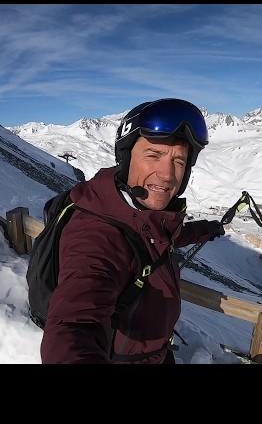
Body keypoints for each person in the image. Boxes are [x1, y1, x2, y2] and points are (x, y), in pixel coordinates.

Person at [40, 98, 224, 364]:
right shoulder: (96, 234)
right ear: (126, 158)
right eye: (154, 155)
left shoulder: (137, 214)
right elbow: (73, 324)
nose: (167, 174)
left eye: (179, 161)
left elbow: (162, 238)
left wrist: (206, 229)